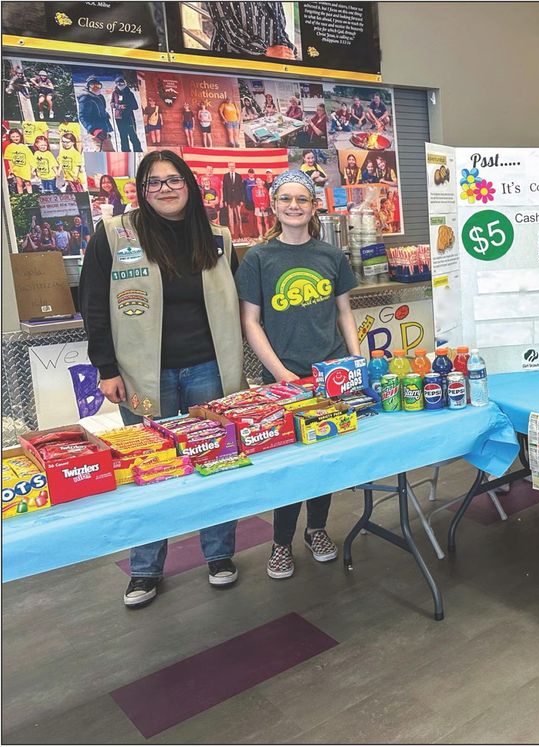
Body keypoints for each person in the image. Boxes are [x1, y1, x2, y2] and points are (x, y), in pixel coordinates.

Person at [78, 149, 244, 608]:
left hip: (208, 370)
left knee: (214, 463)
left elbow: (238, 302)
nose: (166, 188)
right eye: (154, 182)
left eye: (174, 180)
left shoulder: (217, 238)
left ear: (188, 185)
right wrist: (105, 368)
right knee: (149, 472)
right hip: (142, 377)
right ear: (142, 190)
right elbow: (94, 304)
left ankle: (220, 556)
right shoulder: (115, 235)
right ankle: (145, 569)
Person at [236, 170, 358, 579]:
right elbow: (251, 322)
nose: (293, 206)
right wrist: (281, 374)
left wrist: (354, 363)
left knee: (322, 458)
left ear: (312, 207)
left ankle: (318, 530)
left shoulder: (331, 256)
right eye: (285, 199)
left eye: (301, 200)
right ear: (273, 206)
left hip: (331, 373)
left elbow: (344, 313)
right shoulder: (258, 258)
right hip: (283, 378)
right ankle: (281, 543)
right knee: (289, 465)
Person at [205, 2, 296, 59]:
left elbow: (280, 28)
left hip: (270, 69)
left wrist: (288, 51)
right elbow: (228, 31)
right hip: (232, 67)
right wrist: (266, 51)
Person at [77, 76, 114, 152]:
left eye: (98, 86)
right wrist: (95, 130)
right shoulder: (85, 99)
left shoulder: (99, 97)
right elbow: (82, 117)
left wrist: (105, 114)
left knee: (109, 151)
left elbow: (99, 111)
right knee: (103, 151)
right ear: (88, 87)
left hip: (103, 129)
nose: (96, 88)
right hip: (96, 132)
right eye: (93, 86)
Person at [110, 76, 142, 152]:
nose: (120, 85)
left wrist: (127, 106)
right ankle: (126, 152)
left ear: (125, 83)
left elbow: (135, 106)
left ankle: (138, 151)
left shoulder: (129, 93)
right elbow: (112, 103)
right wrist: (118, 106)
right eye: (118, 83)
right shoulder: (115, 93)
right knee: (123, 137)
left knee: (133, 136)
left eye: (121, 83)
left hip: (128, 118)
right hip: (119, 118)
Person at [3, 129, 33, 194]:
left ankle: (31, 195)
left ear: (20, 136)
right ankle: (21, 197)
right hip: (16, 168)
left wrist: (32, 168)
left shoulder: (24, 147)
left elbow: (30, 158)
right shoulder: (9, 147)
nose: (15, 138)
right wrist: (11, 169)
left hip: (25, 168)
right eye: (13, 137)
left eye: (17, 136)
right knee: (19, 184)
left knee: (28, 183)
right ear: (10, 137)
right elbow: (9, 159)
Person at [221, 162, 246, 239]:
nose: (231, 167)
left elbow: (241, 189)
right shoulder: (225, 176)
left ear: (235, 167)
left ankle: (241, 231)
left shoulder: (238, 176)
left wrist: (242, 200)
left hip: (238, 199)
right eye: (230, 166)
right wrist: (224, 200)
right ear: (228, 167)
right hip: (229, 199)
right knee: (230, 216)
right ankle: (232, 232)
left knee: (239, 216)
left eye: (233, 166)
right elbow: (224, 189)